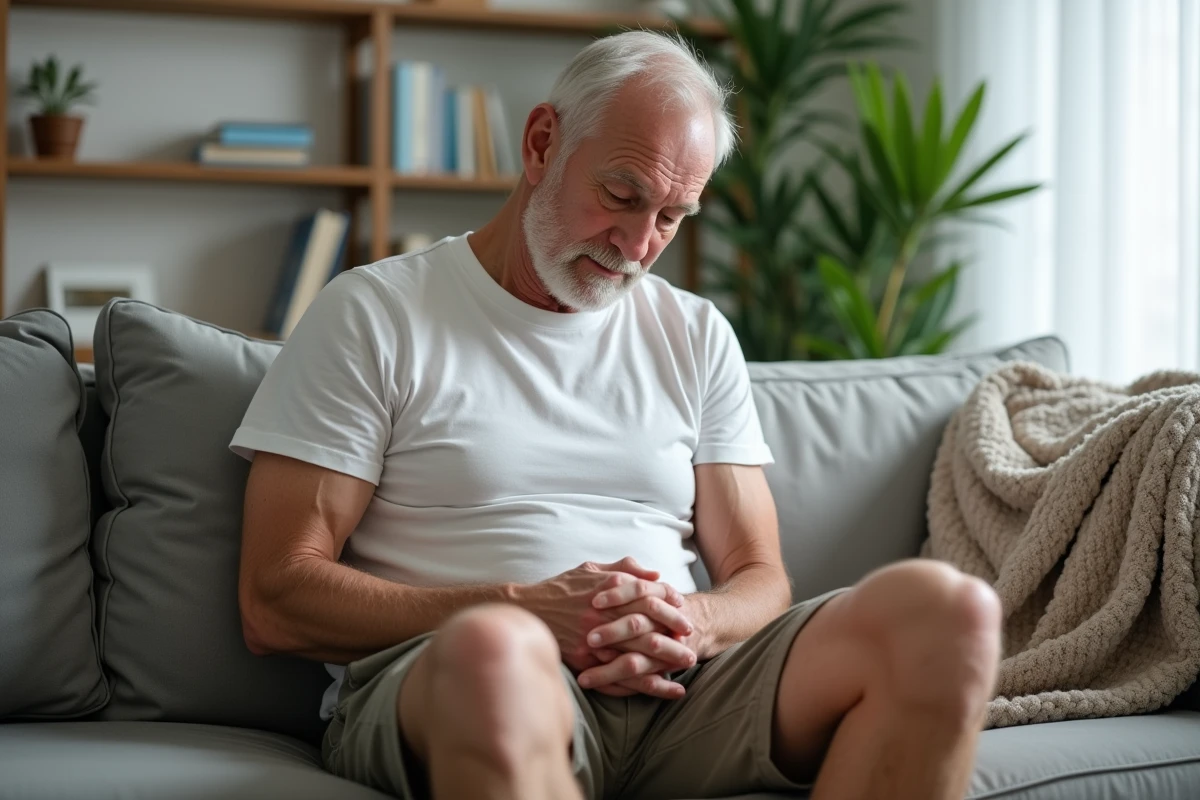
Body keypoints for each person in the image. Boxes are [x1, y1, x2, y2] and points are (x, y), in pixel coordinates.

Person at [230, 30, 1002, 800]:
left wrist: (693, 622)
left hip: (681, 692)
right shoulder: (375, 314)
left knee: (948, 612)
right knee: (497, 655)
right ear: (541, 145)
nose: (637, 245)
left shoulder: (695, 334)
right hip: (465, 681)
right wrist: (523, 609)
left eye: (672, 216)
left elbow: (760, 578)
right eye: (622, 195)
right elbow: (276, 597)